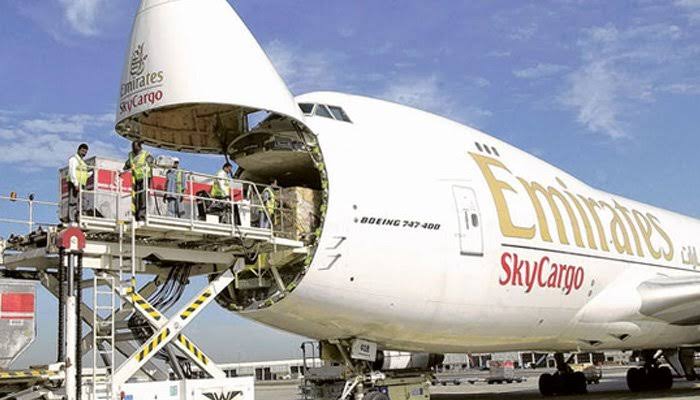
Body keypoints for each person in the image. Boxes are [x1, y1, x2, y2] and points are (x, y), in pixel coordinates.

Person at [123, 140, 153, 221]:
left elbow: (150, 159)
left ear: (139, 147)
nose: (134, 149)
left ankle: (142, 215)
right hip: (136, 178)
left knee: (142, 197)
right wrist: (124, 168)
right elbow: (128, 164)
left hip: (145, 177)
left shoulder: (145, 153)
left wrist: (149, 161)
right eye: (133, 147)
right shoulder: (131, 155)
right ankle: (136, 215)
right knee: (136, 197)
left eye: (135, 147)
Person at [66, 143, 92, 223]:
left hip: (82, 184)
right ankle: (72, 218)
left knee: (81, 201)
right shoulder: (73, 159)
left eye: (85, 152)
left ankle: (78, 217)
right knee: (73, 201)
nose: (84, 153)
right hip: (75, 184)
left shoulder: (82, 162)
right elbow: (72, 172)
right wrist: (75, 183)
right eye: (83, 151)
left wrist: (90, 173)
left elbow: (83, 173)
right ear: (78, 150)